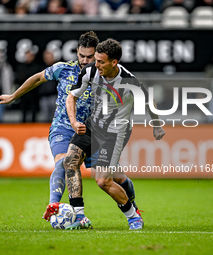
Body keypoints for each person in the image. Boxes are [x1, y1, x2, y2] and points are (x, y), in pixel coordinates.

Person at [0, 32, 139, 221]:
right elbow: (37, 78)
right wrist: (13, 96)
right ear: (77, 52)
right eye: (82, 55)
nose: (85, 60)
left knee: (116, 177)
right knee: (64, 162)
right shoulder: (62, 69)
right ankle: (55, 205)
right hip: (63, 127)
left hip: (93, 131)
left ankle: (132, 205)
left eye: (90, 57)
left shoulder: (104, 72)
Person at [63, 38, 165, 230]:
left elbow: (149, 102)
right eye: (96, 60)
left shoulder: (129, 81)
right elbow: (72, 96)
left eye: (100, 61)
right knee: (70, 162)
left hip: (115, 133)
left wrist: (157, 125)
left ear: (114, 62)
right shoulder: (89, 71)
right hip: (92, 126)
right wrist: (74, 121)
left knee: (102, 181)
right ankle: (79, 216)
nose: (96, 64)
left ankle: (133, 216)